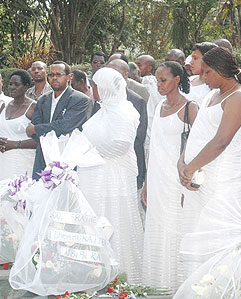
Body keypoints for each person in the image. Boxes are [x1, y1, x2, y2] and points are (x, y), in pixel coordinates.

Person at [177, 47, 241, 276]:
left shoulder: (239, 97)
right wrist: (182, 162)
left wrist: (190, 168)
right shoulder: (213, 95)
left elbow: (221, 141)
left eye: (208, 72)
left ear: (221, 70)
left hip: (222, 182)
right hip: (199, 179)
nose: (204, 78)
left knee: (219, 245)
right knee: (197, 240)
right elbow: (196, 132)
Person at [78, 67, 143, 284]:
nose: (91, 89)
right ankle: (93, 273)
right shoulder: (103, 110)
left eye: (94, 85)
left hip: (114, 178)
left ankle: (119, 276)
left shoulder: (126, 111)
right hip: (94, 179)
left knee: (114, 220)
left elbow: (120, 145)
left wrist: (84, 147)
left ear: (104, 88)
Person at [141, 61, 198, 290]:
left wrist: (187, 179)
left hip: (177, 181)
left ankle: (178, 285)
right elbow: (153, 148)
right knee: (157, 229)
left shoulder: (190, 108)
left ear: (177, 79)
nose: (159, 85)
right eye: (157, 81)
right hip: (156, 179)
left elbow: (199, 144)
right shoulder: (158, 107)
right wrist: (146, 183)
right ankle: (158, 283)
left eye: (163, 80)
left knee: (176, 228)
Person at [26, 61, 89, 180]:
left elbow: (65, 126)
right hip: (43, 156)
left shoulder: (80, 100)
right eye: (51, 75)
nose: (54, 78)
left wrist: (37, 129)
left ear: (69, 77)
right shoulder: (42, 99)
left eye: (58, 75)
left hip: (67, 157)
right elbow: (34, 131)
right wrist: (38, 130)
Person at [0, 69, 37, 185]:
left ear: (26, 86)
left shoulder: (34, 107)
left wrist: (14, 144)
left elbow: (40, 140)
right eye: (10, 84)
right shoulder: (4, 106)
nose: (12, 87)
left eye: (17, 84)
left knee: (18, 197)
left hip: (20, 164)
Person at [108, 59, 148, 190]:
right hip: (106, 166)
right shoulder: (101, 100)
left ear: (125, 75)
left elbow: (138, 136)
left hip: (128, 163)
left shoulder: (137, 101)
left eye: (115, 73)